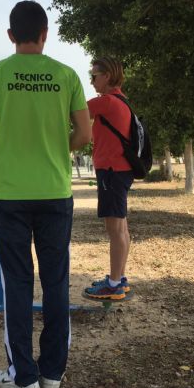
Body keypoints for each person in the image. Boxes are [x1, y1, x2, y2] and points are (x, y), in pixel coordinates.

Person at [0, 0, 91, 388]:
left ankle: (23, 377)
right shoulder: (67, 75)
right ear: (45, 34)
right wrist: (58, 147)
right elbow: (84, 135)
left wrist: (5, 149)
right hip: (56, 192)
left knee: (18, 283)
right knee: (57, 282)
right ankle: (53, 373)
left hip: (10, 195)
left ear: (10, 35)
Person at [83, 57, 134, 301]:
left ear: (107, 76)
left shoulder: (106, 102)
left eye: (94, 76)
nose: (92, 81)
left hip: (112, 172)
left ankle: (113, 284)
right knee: (121, 227)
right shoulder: (122, 101)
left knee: (114, 229)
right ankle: (119, 278)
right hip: (120, 171)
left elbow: (74, 111)